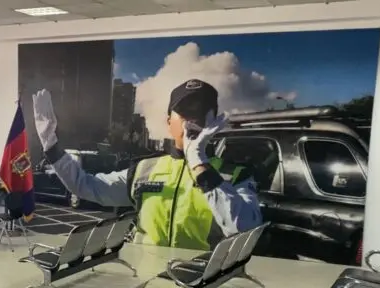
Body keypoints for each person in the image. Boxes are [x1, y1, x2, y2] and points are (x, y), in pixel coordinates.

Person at [32, 79, 262, 250]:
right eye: (184, 113)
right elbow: (86, 186)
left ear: (214, 121)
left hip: (201, 283)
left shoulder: (235, 175)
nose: (192, 120)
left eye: (201, 113)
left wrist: (200, 163)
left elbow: (244, 231)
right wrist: (51, 145)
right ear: (169, 122)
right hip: (147, 278)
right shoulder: (145, 169)